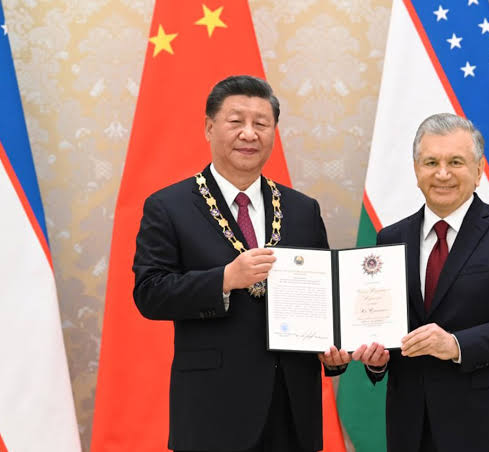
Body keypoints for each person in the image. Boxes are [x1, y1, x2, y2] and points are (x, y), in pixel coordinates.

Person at [132, 75, 350, 452]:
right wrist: (225, 279)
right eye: (236, 121)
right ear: (209, 127)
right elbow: (150, 293)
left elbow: (324, 300)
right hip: (212, 408)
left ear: (273, 132)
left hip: (291, 409)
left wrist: (335, 352)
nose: (249, 133)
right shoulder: (169, 207)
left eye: (261, 123)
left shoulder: (303, 209)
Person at [352, 113, 489, 452]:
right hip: (411, 428)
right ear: (416, 170)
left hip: (487, 427)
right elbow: (386, 323)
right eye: (431, 162)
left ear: (479, 170)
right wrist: (377, 359)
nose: (442, 173)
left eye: (455, 162)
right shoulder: (390, 238)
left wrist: (457, 345)